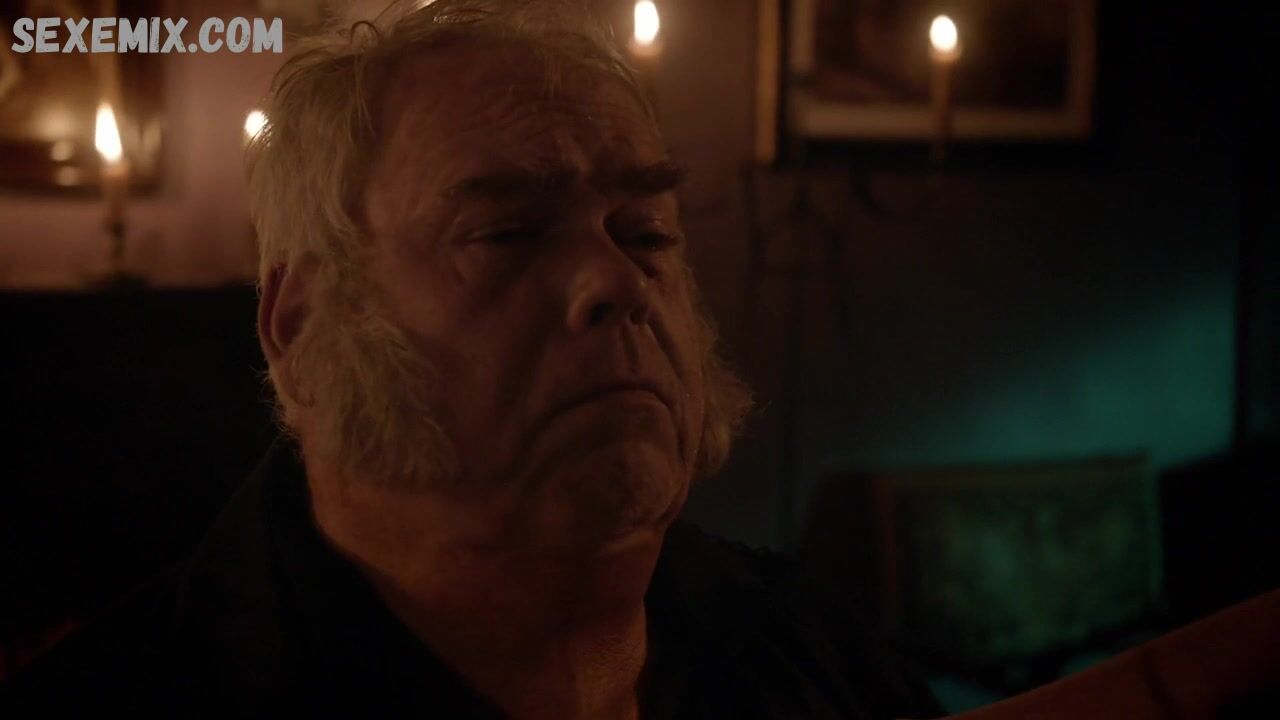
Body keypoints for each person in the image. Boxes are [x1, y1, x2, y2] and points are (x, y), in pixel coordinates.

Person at [0, 1, 940, 717]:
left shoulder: (816, 651)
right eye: (508, 233)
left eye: (646, 231)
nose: (616, 282)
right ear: (301, 327)